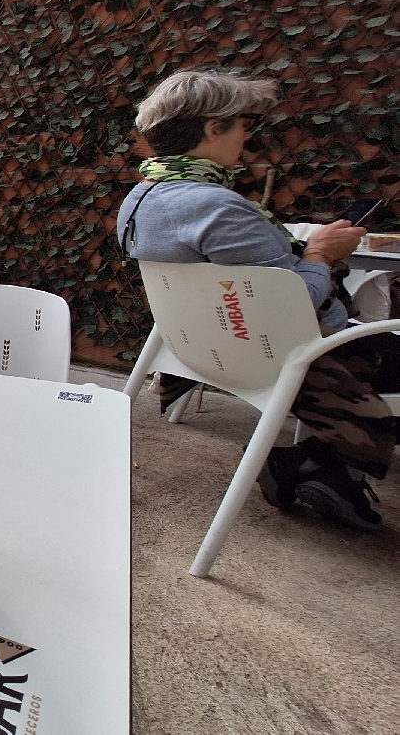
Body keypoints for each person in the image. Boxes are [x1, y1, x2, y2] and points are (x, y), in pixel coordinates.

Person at [118, 68, 395, 530]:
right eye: (247, 124)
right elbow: (297, 302)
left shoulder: (140, 199)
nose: (249, 136)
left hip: (201, 347)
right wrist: (322, 254)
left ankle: (326, 471)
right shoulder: (218, 206)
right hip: (285, 353)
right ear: (213, 128)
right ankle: (308, 464)